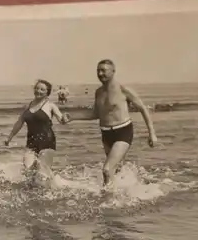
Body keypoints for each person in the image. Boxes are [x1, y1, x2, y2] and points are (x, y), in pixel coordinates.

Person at [65, 59, 158, 188]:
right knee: (116, 169)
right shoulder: (99, 92)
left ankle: (108, 199)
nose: (100, 73)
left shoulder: (123, 89)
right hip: (106, 133)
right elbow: (96, 114)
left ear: (113, 71)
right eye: (98, 70)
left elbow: (143, 108)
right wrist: (73, 117)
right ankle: (127, 191)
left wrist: (152, 134)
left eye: (104, 70)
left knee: (107, 169)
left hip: (123, 131)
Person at [4, 79, 69, 181]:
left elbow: (61, 120)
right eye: (37, 88)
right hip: (31, 142)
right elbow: (19, 123)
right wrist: (9, 138)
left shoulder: (50, 105)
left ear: (47, 92)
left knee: (43, 172)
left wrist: (65, 118)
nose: (38, 91)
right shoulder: (28, 106)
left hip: (47, 142)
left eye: (42, 89)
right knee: (28, 170)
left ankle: (54, 187)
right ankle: (33, 192)